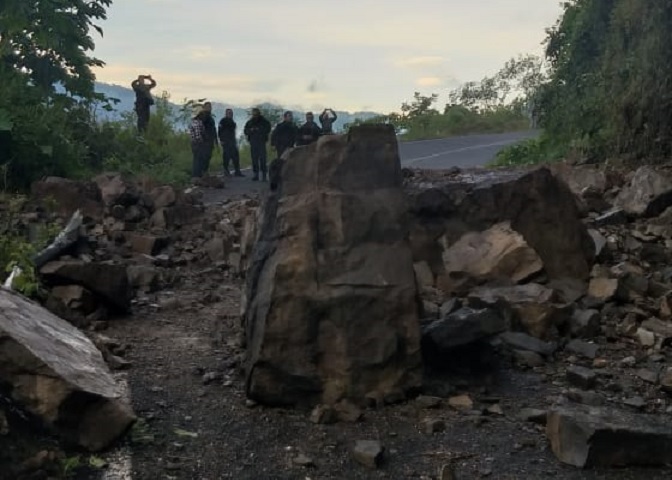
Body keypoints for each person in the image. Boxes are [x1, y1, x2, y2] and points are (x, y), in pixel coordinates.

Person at [243, 108, 272, 182]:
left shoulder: (264, 121)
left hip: (261, 142)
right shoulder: (250, 122)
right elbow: (246, 131)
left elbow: (268, 129)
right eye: (254, 113)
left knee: (263, 159)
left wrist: (259, 129)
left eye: (256, 113)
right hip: (253, 142)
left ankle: (264, 175)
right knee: (254, 159)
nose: (255, 115)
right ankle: (256, 174)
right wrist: (251, 130)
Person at [218, 108, 243, 177]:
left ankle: (237, 171)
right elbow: (219, 131)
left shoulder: (232, 121)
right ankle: (226, 170)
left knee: (235, 156)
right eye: (229, 113)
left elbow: (233, 132)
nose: (230, 114)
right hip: (226, 141)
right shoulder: (223, 121)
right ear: (226, 113)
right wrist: (221, 140)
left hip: (232, 141)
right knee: (226, 156)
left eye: (231, 113)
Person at [189, 106, 208, 178]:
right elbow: (198, 136)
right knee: (198, 159)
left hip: (194, 144)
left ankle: (197, 175)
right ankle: (196, 175)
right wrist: (202, 142)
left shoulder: (195, 122)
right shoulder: (197, 123)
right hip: (197, 144)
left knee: (197, 159)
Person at [201, 102, 218, 174]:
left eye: (210, 107)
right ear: (204, 108)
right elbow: (201, 128)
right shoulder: (203, 117)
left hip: (210, 140)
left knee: (208, 156)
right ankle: (202, 171)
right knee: (204, 157)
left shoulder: (211, 118)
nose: (209, 108)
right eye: (207, 107)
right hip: (204, 140)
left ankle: (205, 171)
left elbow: (214, 130)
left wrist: (216, 141)